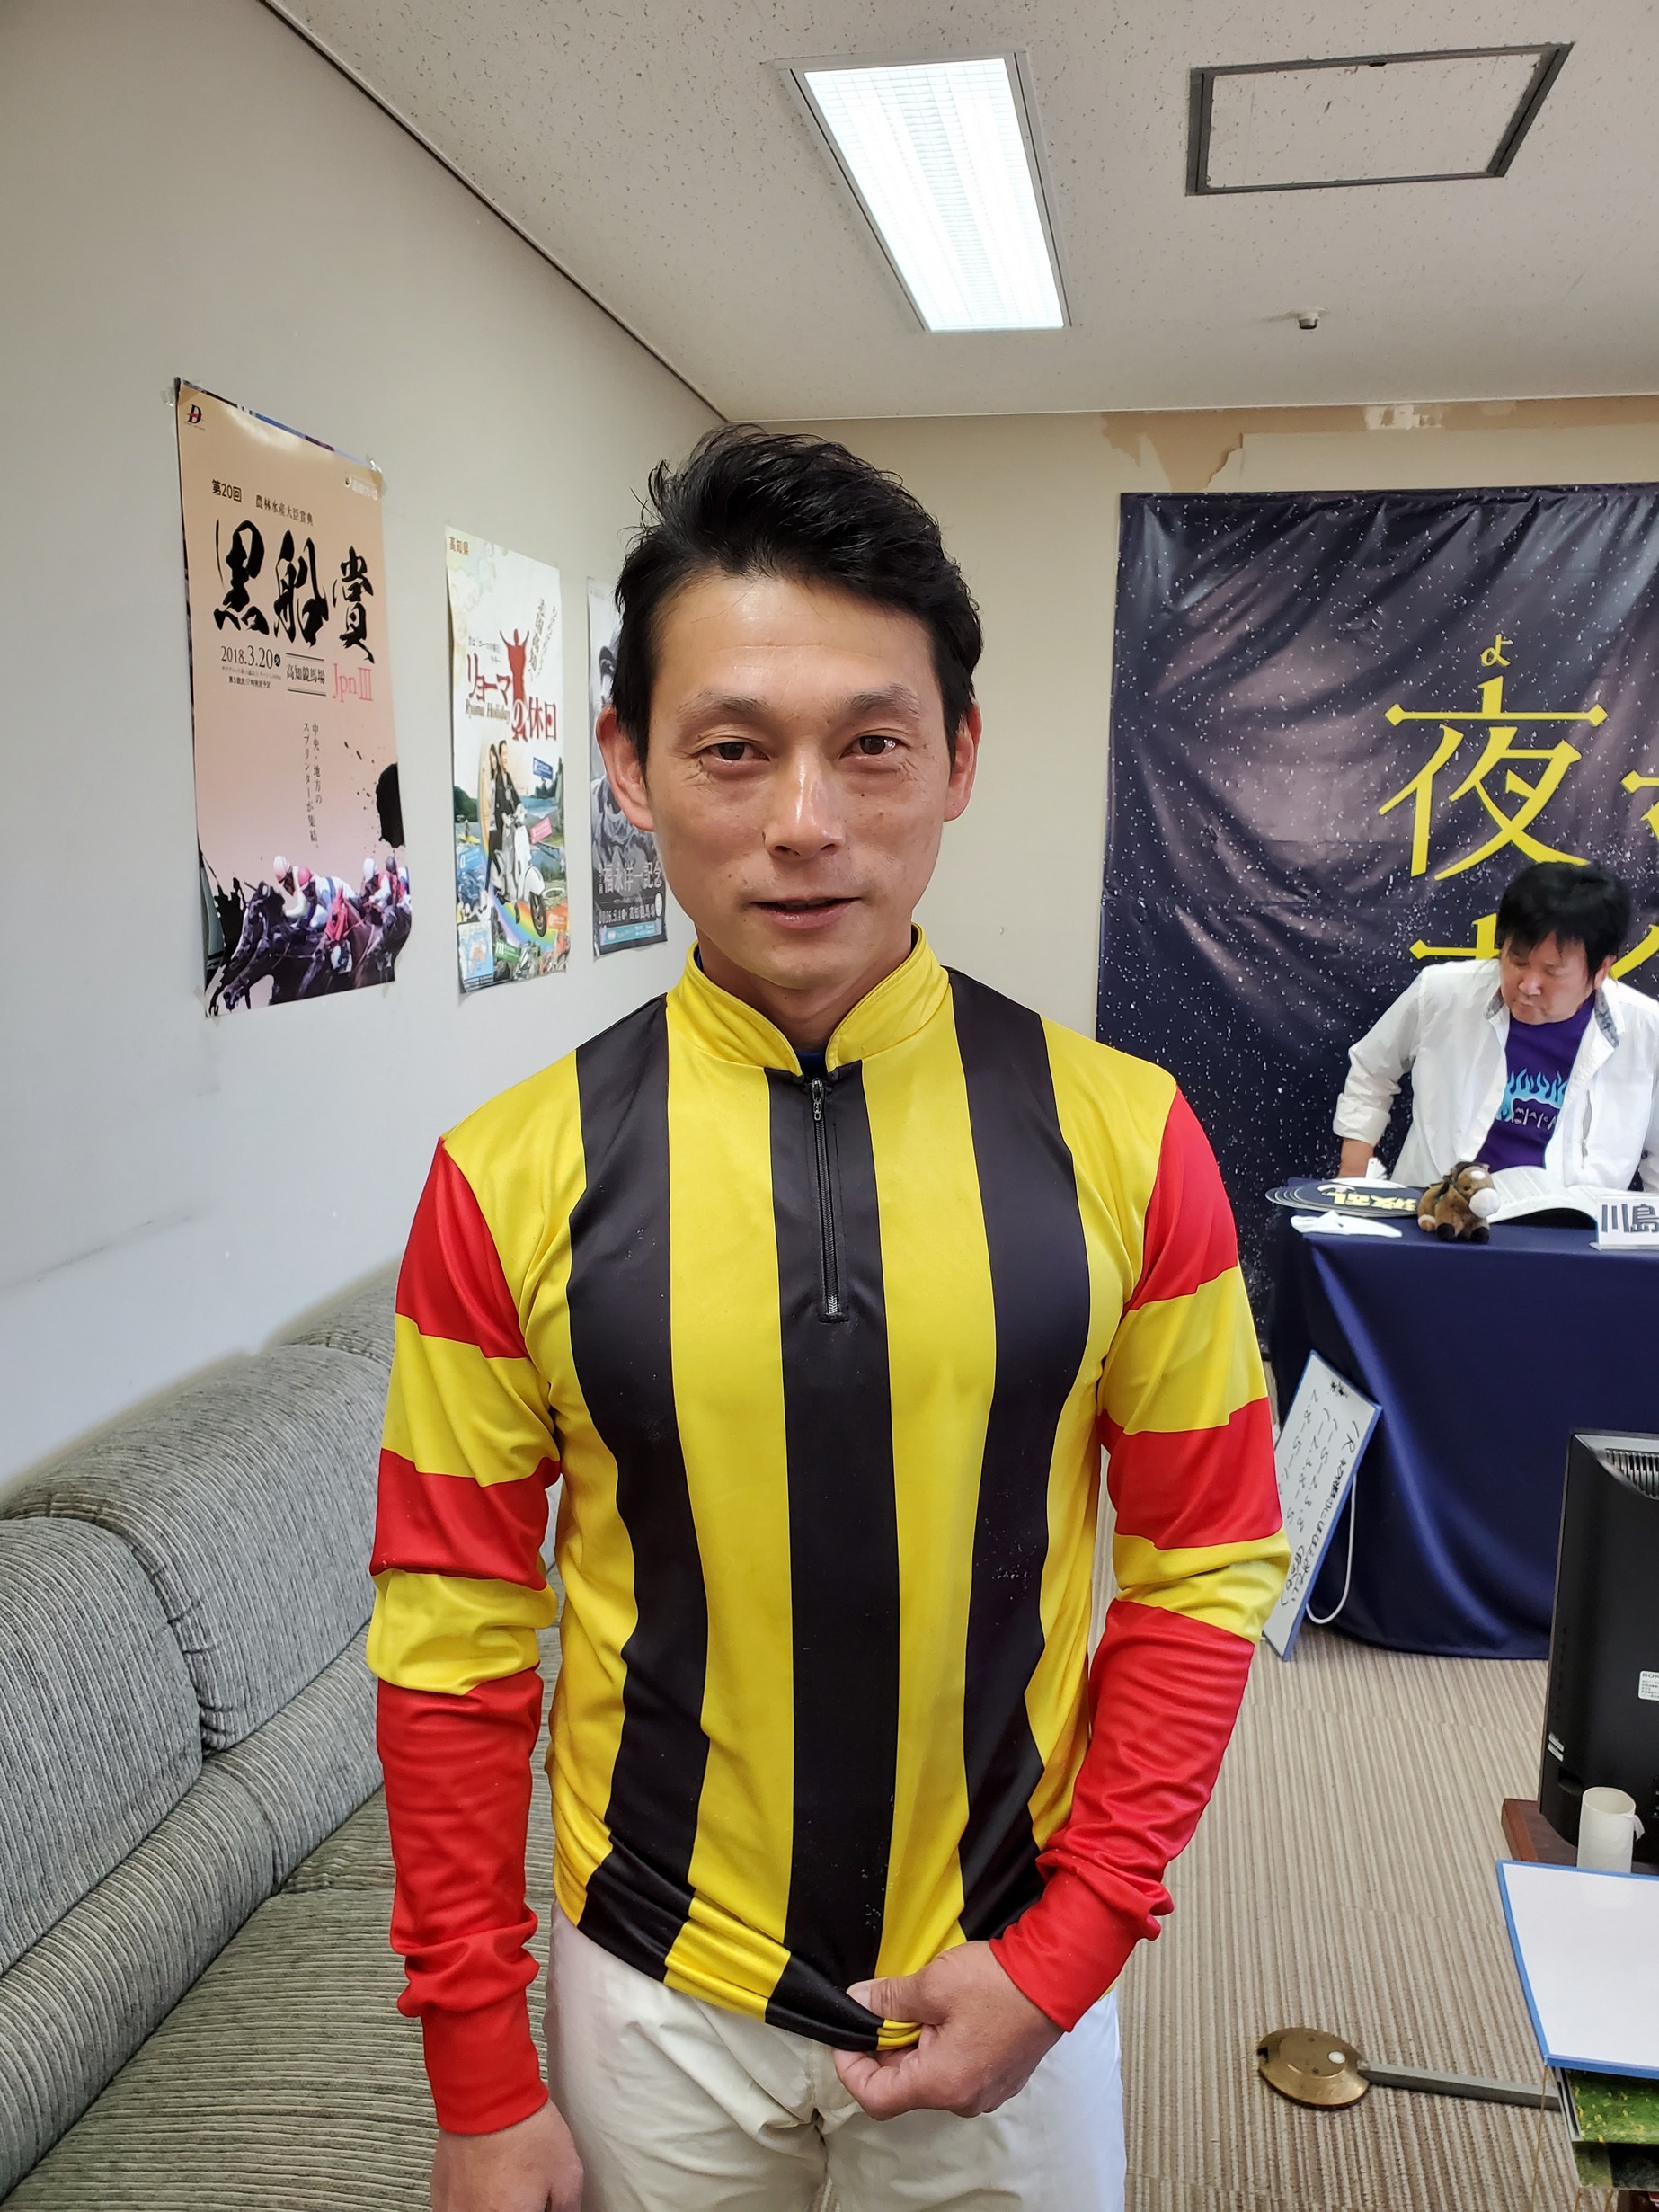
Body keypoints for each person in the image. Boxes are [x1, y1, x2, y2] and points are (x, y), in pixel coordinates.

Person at [368, 427, 1289, 2212]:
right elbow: (451, 1635)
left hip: (1004, 1960)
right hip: (653, 1985)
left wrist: (1074, 1941)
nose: (804, 821)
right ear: (628, 765)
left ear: (957, 756)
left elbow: (1204, 1564)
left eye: (870, 743)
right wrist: (478, 2077)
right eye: (732, 748)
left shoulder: (1127, 1137)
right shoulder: (504, 1178)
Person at [1334, 861, 1659, 1189]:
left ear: (1601, 970)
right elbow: (1372, 1070)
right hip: (1435, 1209)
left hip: (1570, 1218)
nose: (1528, 985)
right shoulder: (1441, 992)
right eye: (1517, 961)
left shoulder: (1646, 1031)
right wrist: (1353, 1176)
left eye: (1552, 972)